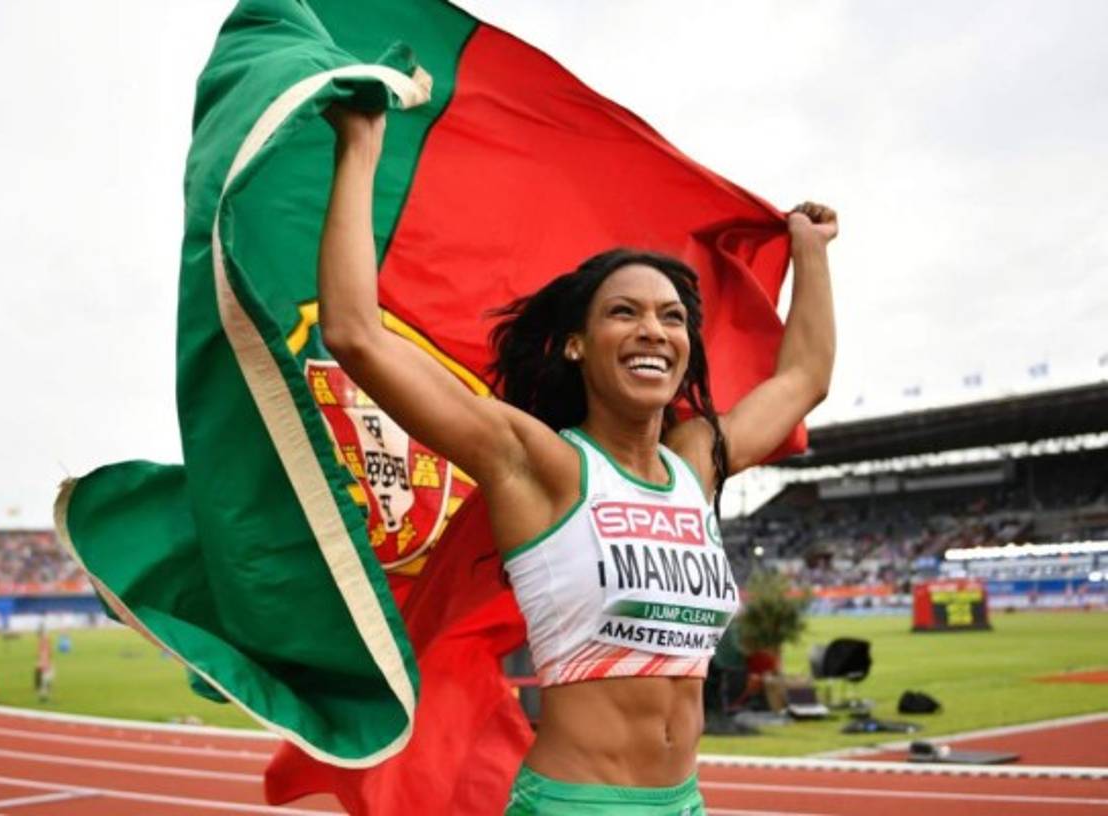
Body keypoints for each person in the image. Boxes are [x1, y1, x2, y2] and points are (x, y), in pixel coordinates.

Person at [320, 106, 835, 816]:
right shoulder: (539, 465)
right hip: (576, 804)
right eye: (623, 312)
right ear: (574, 344)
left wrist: (811, 249)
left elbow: (803, 379)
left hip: (684, 802)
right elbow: (356, 337)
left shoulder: (696, 460)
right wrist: (360, 144)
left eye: (673, 316)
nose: (652, 328)